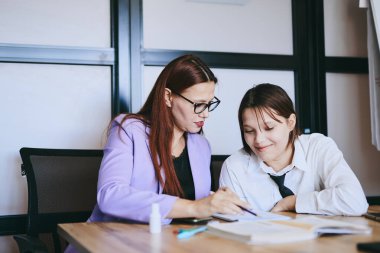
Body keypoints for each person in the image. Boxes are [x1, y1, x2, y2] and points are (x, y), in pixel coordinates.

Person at [66, 54, 249, 252]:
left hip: (171, 245)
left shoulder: (201, 145)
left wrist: (217, 201)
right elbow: (110, 195)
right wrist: (196, 207)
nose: (206, 113)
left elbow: (195, 205)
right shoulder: (129, 129)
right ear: (168, 97)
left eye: (210, 103)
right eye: (198, 104)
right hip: (115, 244)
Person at [219, 83, 368, 216]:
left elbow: (355, 201)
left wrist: (293, 203)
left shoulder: (318, 147)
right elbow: (231, 227)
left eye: (269, 128)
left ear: (290, 123)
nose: (259, 140)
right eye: (249, 131)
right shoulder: (234, 167)